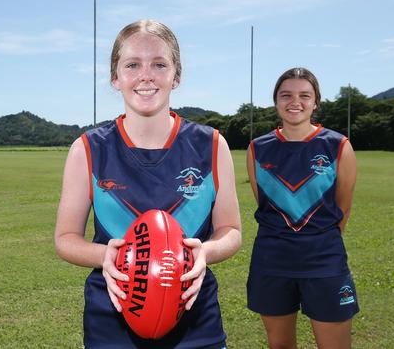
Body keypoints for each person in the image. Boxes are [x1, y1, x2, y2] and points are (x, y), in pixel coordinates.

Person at [55, 19, 242, 348]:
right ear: (116, 77)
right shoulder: (87, 149)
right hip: (111, 315)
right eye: (132, 64)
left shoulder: (212, 145)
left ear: (176, 75)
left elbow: (231, 230)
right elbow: (66, 238)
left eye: (159, 64)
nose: (146, 75)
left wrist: (206, 251)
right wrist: (104, 256)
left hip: (194, 313)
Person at [245, 67, 359, 348]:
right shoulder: (258, 148)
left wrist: (317, 241)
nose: (295, 102)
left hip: (324, 261)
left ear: (315, 102)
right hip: (272, 262)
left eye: (304, 95)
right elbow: (266, 204)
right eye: (286, 95)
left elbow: (342, 209)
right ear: (276, 101)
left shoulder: (338, 145)